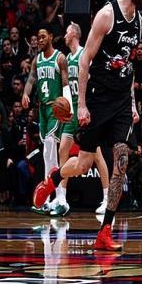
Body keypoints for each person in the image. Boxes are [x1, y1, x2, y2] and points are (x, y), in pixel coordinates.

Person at [32, 0, 142, 250]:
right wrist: (82, 104)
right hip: (98, 98)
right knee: (83, 164)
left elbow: (130, 66)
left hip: (121, 103)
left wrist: (133, 104)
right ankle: (54, 179)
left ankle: (105, 231)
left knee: (121, 162)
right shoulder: (107, 15)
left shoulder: (140, 22)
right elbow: (85, 61)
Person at [50, 22, 110, 217]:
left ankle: (107, 197)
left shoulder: (85, 54)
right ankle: (61, 198)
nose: (64, 36)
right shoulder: (67, 58)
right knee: (63, 149)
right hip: (72, 111)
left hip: (86, 110)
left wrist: (90, 107)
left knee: (97, 155)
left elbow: (94, 80)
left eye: (67, 32)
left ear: (74, 34)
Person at [22, 22, 72, 214]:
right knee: (46, 153)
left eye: (43, 37)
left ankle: (59, 198)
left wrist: (68, 108)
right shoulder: (37, 60)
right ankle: (49, 198)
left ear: (51, 36)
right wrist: (25, 94)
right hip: (42, 110)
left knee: (50, 148)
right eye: (38, 38)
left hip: (56, 109)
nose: (39, 40)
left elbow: (66, 84)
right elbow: (31, 79)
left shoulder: (60, 58)